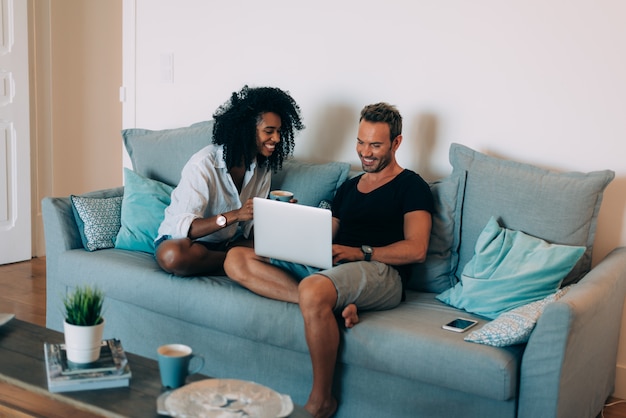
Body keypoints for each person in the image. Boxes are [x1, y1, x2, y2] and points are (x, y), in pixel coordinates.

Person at [224, 102, 434, 418]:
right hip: (334, 265)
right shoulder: (349, 188)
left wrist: (362, 252)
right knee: (236, 258)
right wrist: (290, 230)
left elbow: (416, 249)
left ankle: (322, 402)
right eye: (361, 142)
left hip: (381, 270)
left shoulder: (412, 186)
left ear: (396, 143)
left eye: (375, 145)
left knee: (314, 289)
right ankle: (325, 307)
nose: (366, 152)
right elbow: (327, 234)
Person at [155, 85, 304, 276]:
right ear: (247, 130)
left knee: (285, 249)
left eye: (279, 131)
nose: (276, 138)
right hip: (184, 241)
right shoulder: (203, 164)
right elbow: (187, 228)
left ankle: (230, 260)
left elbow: (252, 231)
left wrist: (279, 216)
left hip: (224, 245)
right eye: (269, 131)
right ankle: (236, 261)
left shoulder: (262, 168)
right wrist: (235, 215)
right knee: (172, 256)